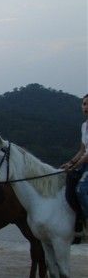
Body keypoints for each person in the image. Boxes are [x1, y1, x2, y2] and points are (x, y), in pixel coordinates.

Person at [61, 94, 88, 239]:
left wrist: (75, 165)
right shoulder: (84, 126)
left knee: (81, 189)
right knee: (69, 181)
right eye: (84, 104)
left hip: (86, 164)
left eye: (87, 104)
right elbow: (82, 150)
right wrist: (70, 163)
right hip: (84, 163)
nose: (85, 107)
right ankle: (77, 221)